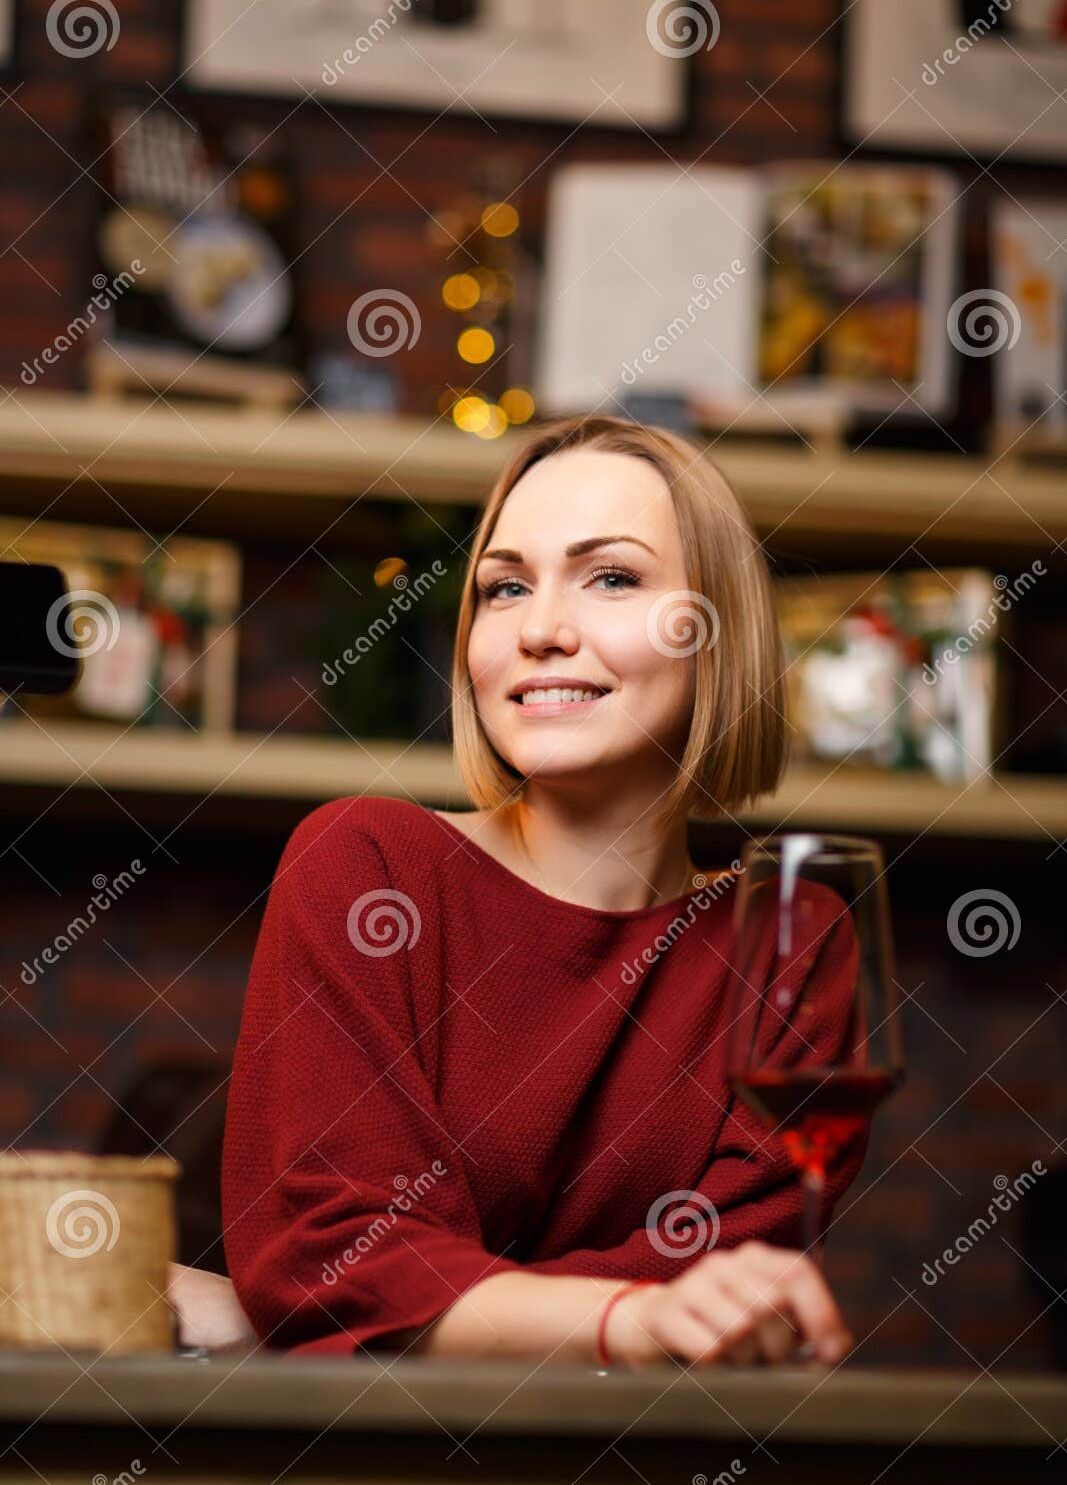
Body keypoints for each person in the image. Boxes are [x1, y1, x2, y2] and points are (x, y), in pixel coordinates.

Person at [214, 415, 867, 1369]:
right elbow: (338, 1252)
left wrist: (322, 1309)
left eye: (611, 578)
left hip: (654, 1460)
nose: (539, 630)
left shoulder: (793, 937)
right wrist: (628, 1320)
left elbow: (731, 1278)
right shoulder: (366, 866)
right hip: (374, 1451)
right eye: (505, 587)